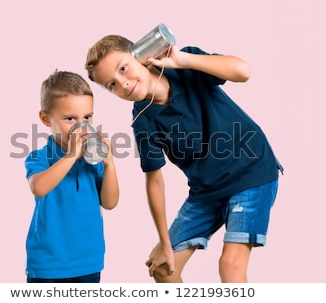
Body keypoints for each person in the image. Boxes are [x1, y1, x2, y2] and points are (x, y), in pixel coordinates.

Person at [85, 34, 283, 282]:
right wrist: (164, 242)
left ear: (141, 56)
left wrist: (183, 60)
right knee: (162, 269)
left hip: (251, 173)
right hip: (207, 191)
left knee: (230, 264)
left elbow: (243, 71)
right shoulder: (143, 122)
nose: (122, 84)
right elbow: (154, 181)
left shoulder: (186, 68)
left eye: (123, 69)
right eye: (112, 84)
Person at [24, 70, 119, 283]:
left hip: (88, 262)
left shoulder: (92, 158)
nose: (81, 125)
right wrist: (70, 155)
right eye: (70, 119)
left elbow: (110, 203)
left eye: (87, 117)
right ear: (46, 119)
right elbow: (38, 187)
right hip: (48, 265)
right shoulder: (40, 157)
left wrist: (110, 164)